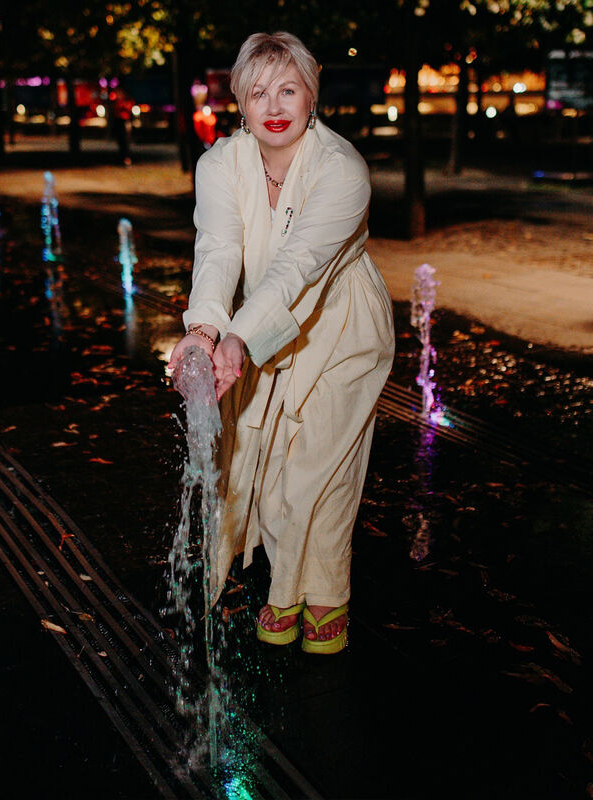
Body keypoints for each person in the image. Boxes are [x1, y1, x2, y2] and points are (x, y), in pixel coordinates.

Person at [166, 32, 394, 655]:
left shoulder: (342, 169)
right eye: (258, 91)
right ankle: (283, 576)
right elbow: (218, 251)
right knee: (262, 462)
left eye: (288, 89)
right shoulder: (220, 165)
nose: (274, 105)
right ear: (239, 100)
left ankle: (319, 593)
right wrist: (204, 331)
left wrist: (238, 337)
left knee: (320, 464)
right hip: (261, 322)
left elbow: (299, 267)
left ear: (311, 95)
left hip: (340, 324)